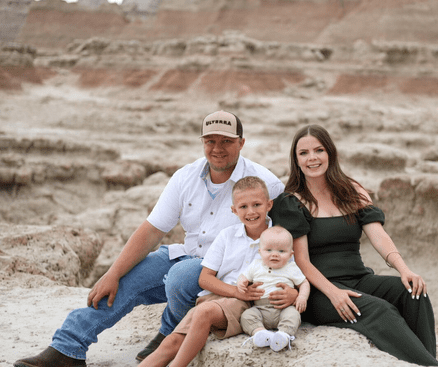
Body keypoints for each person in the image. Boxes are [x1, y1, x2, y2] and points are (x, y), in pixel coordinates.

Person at [14, 111, 296, 367]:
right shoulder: (185, 177)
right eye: (210, 141)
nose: (218, 148)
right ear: (202, 142)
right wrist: (112, 273)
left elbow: (284, 239)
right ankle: (67, 348)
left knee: (182, 274)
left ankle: (167, 333)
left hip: (226, 271)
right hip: (185, 255)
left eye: (226, 141)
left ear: (241, 142)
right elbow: (151, 229)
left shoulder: (265, 183)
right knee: (127, 279)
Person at [268, 124, 438, 366]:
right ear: (296, 161)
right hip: (319, 292)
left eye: (319, 150)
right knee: (380, 310)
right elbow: (302, 261)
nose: (312, 158)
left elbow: (378, 235)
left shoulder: (352, 191)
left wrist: (404, 270)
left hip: (358, 279)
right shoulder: (291, 202)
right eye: (303, 153)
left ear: (330, 153)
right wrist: (334, 293)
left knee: (413, 292)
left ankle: (426, 360)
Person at [138, 176, 275, 367]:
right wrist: (234, 291)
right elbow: (205, 278)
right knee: (171, 341)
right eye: (243, 207)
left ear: (269, 205)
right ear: (234, 210)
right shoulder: (227, 236)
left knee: (204, 312)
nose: (250, 212)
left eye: (257, 205)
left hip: (250, 304)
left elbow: (290, 273)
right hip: (218, 298)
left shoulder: (278, 237)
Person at [237, 226, 310, 352]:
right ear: (260, 252)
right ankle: (260, 333)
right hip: (260, 309)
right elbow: (243, 277)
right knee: (246, 315)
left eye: (281, 251)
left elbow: (304, 283)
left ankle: (283, 335)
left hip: (284, 309)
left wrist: (302, 297)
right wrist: (241, 282)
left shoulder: (291, 267)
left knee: (294, 315)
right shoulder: (256, 265)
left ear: (290, 254)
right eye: (269, 250)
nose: (275, 255)